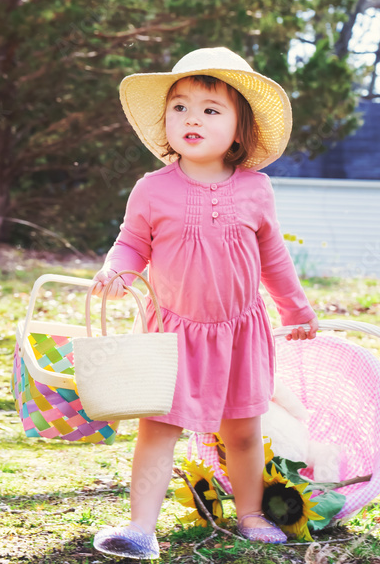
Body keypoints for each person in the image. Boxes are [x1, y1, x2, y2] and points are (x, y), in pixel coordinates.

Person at [89, 47, 318, 560]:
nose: (193, 117)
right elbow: (132, 243)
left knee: (241, 432)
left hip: (238, 332)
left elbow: (274, 257)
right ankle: (141, 528)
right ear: (165, 121)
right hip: (172, 335)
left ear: (239, 130)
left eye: (211, 110)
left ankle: (252, 513)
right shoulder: (151, 190)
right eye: (180, 107)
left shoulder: (256, 190)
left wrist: (296, 308)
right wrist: (117, 270)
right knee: (157, 430)